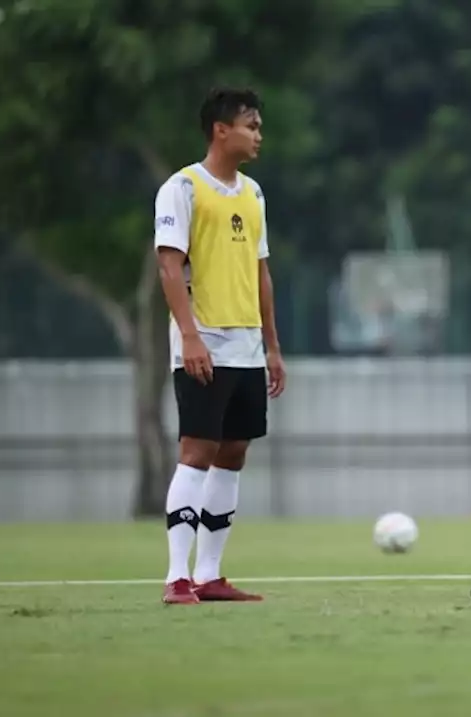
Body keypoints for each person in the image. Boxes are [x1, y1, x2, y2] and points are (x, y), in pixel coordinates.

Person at [154, 87, 286, 605]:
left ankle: (209, 574)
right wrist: (189, 336)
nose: (258, 135)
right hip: (204, 342)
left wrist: (273, 347)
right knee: (197, 451)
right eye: (251, 125)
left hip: (248, 348)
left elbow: (261, 272)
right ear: (220, 130)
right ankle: (176, 576)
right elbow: (169, 267)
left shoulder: (252, 194)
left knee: (233, 454)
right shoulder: (182, 188)